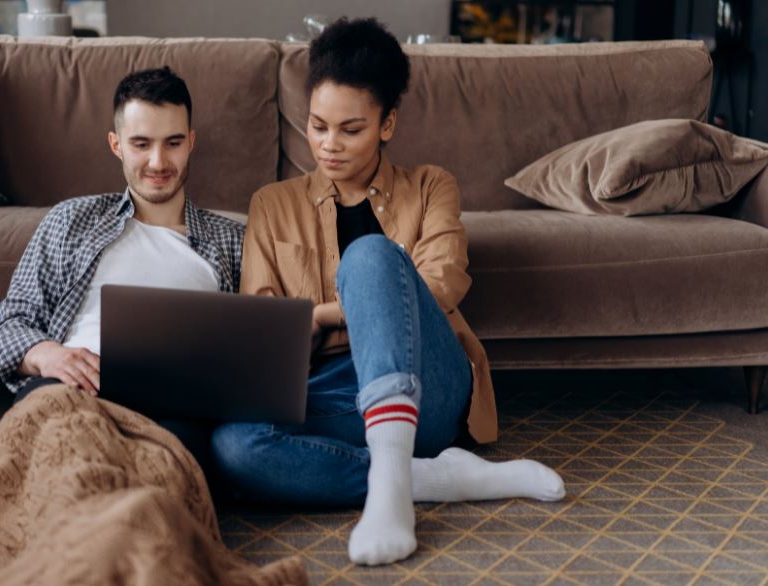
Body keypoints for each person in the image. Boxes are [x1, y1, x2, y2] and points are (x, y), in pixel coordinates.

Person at [210, 18, 565, 566]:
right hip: (330, 389)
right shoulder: (271, 204)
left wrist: (324, 315)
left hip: (429, 385)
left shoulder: (431, 188)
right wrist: (301, 327)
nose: (328, 146)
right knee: (234, 446)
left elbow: (439, 283)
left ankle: (393, 492)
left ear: (387, 123)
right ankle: (432, 478)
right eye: (317, 126)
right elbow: (269, 323)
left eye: (350, 130)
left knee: (372, 255)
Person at [0, 66, 244, 462]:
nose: (158, 162)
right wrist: (48, 354)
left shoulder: (232, 241)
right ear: (116, 144)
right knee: (59, 451)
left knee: (156, 473)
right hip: (71, 393)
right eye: (141, 144)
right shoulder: (70, 220)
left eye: (173, 142)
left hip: (173, 411)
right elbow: (10, 327)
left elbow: (257, 352)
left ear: (191, 142)